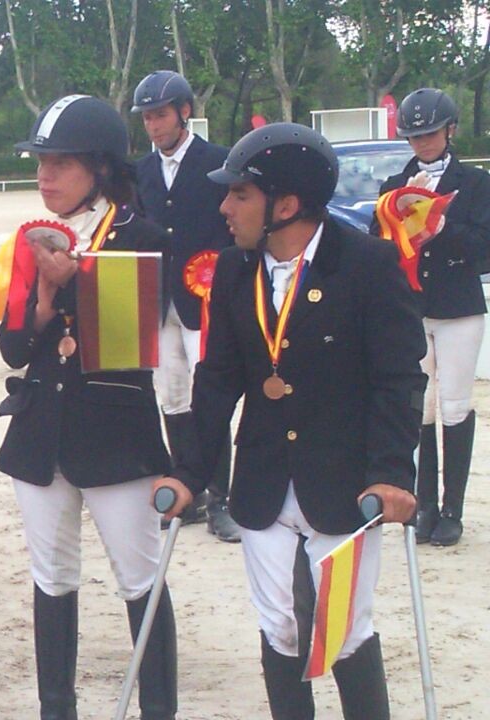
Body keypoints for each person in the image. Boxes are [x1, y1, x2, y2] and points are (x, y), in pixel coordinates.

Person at [155, 123, 425, 720]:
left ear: (286, 205)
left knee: (344, 629)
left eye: (240, 195)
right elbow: (217, 381)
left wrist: (391, 473)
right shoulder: (233, 269)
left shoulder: (368, 264)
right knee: (279, 625)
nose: (225, 208)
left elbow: (398, 380)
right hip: (264, 477)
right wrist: (190, 472)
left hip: (346, 483)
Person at [0, 94, 177, 720]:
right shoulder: (31, 239)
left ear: (99, 167)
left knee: (139, 579)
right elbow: (13, 347)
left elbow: (130, 342)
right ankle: (57, 709)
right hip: (41, 427)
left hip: (115, 431)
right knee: (51, 577)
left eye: (60, 164)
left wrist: (78, 281)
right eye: (40, 164)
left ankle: (158, 710)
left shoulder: (144, 236)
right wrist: (44, 299)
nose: (44, 177)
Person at [373, 87, 490, 547]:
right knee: (417, 406)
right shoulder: (393, 186)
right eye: (415, 136)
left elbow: (484, 247)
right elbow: (378, 245)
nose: (422, 143)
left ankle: (452, 508)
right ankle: (421, 505)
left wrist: (441, 227)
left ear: (450, 131)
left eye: (430, 134)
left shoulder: (476, 183)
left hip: (458, 306)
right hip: (411, 310)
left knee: (455, 404)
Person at [131, 70, 241, 542]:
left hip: (206, 301)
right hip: (159, 302)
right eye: (147, 118)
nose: (153, 126)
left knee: (208, 396)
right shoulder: (140, 172)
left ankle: (222, 497)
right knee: (172, 396)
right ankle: (186, 492)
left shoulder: (217, 162)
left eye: (160, 115)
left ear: (184, 113)